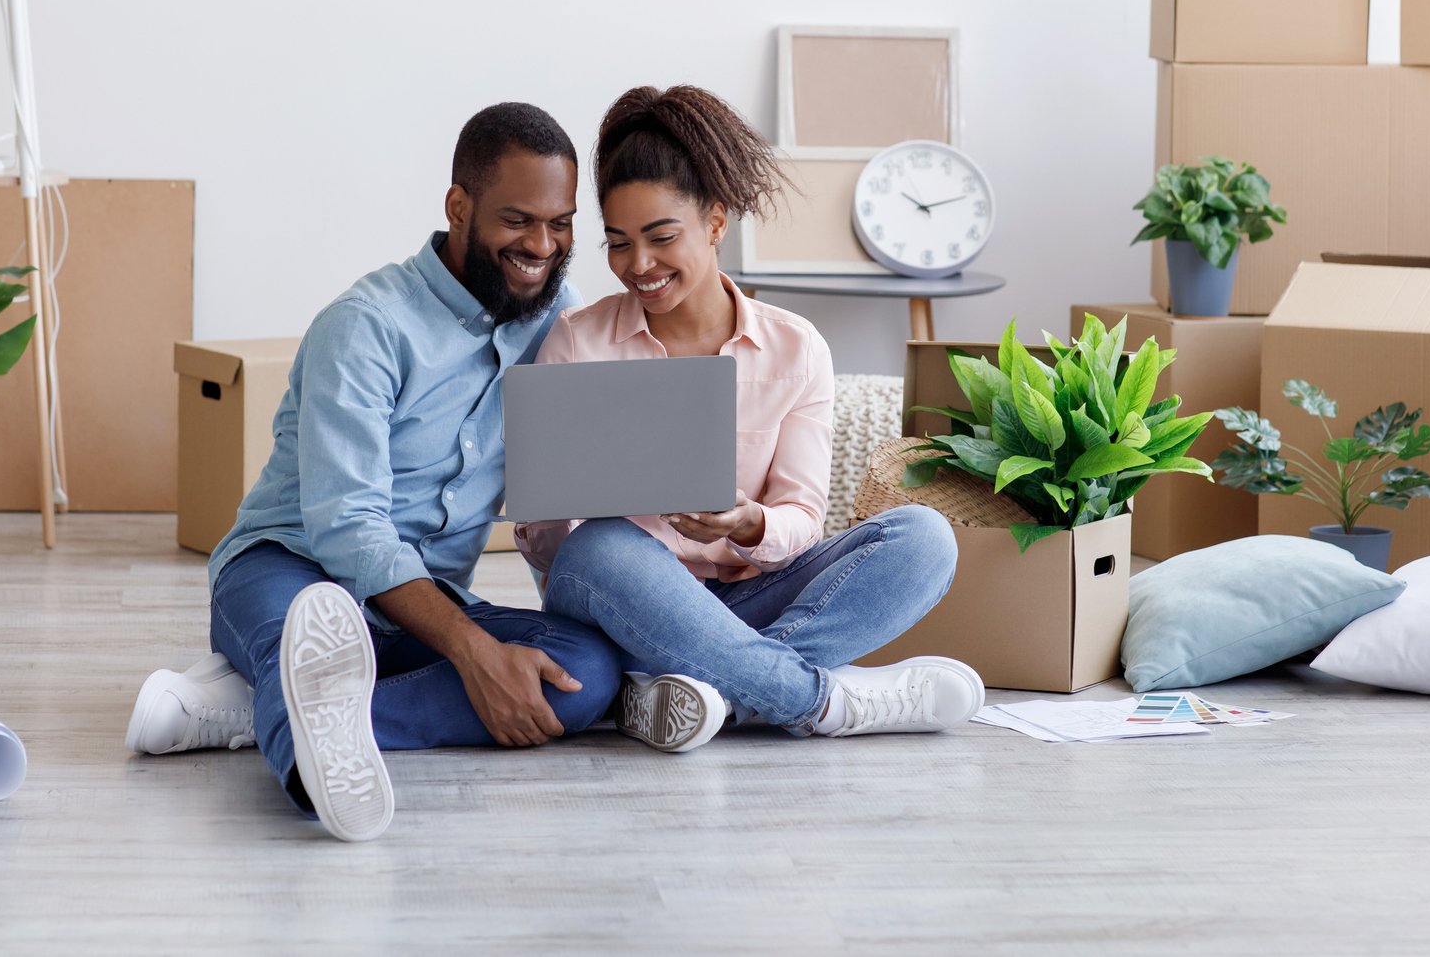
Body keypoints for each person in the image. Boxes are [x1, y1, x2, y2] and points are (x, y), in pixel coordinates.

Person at [129, 103, 623, 843]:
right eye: (518, 220)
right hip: (291, 567)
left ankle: (270, 709)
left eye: (561, 223)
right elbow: (348, 529)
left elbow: (589, 466)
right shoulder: (364, 326)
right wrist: (474, 654)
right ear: (459, 206)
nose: (543, 246)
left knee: (586, 672)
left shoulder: (557, 320)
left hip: (423, 600)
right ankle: (305, 745)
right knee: (307, 633)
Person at [515, 85, 983, 754]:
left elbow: (801, 518)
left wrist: (747, 522)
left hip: (751, 597)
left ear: (715, 221)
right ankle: (820, 700)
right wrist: (554, 504)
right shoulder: (575, 341)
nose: (637, 266)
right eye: (618, 243)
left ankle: (703, 695)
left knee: (924, 537)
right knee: (603, 546)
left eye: (660, 237)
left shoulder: (795, 348)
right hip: (625, 611)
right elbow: (550, 552)